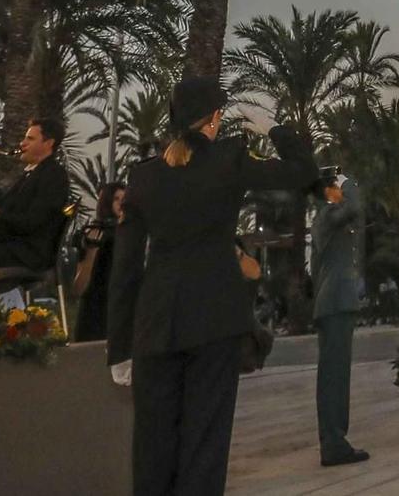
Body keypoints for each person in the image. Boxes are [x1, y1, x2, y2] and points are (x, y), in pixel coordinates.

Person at [107, 77, 314, 496]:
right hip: (214, 324)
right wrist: (272, 127)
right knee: (204, 447)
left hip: (156, 326)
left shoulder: (142, 178)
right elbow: (302, 172)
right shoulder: (228, 161)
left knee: (152, 449)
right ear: (214, 119)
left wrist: (119, 348)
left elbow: (125, 270)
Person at [0, 117, 72, 307]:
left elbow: (33, 221)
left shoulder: (54, 175)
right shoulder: (30, 174)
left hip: (32, 252)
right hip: (16, 246)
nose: (22, 143)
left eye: (30, 139)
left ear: (48, 143)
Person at [311, 166, 367, 468]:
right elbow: (355, 206)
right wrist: (351, 180)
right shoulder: (327, 216)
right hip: (335, 304)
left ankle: (334, 440)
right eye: (337, 186)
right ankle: (333, 443)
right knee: (334, 377)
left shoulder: (326, 218)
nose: (342, 190)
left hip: (332, 303)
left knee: (335, 376)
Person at [70, 182, 127, 343]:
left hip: (122, 312)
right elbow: (78, 287)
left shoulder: (133, 235)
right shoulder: (96, 233)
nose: (121, 204)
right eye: (116, 199)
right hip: (96, 310)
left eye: (125, 199)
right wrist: (92, 251)